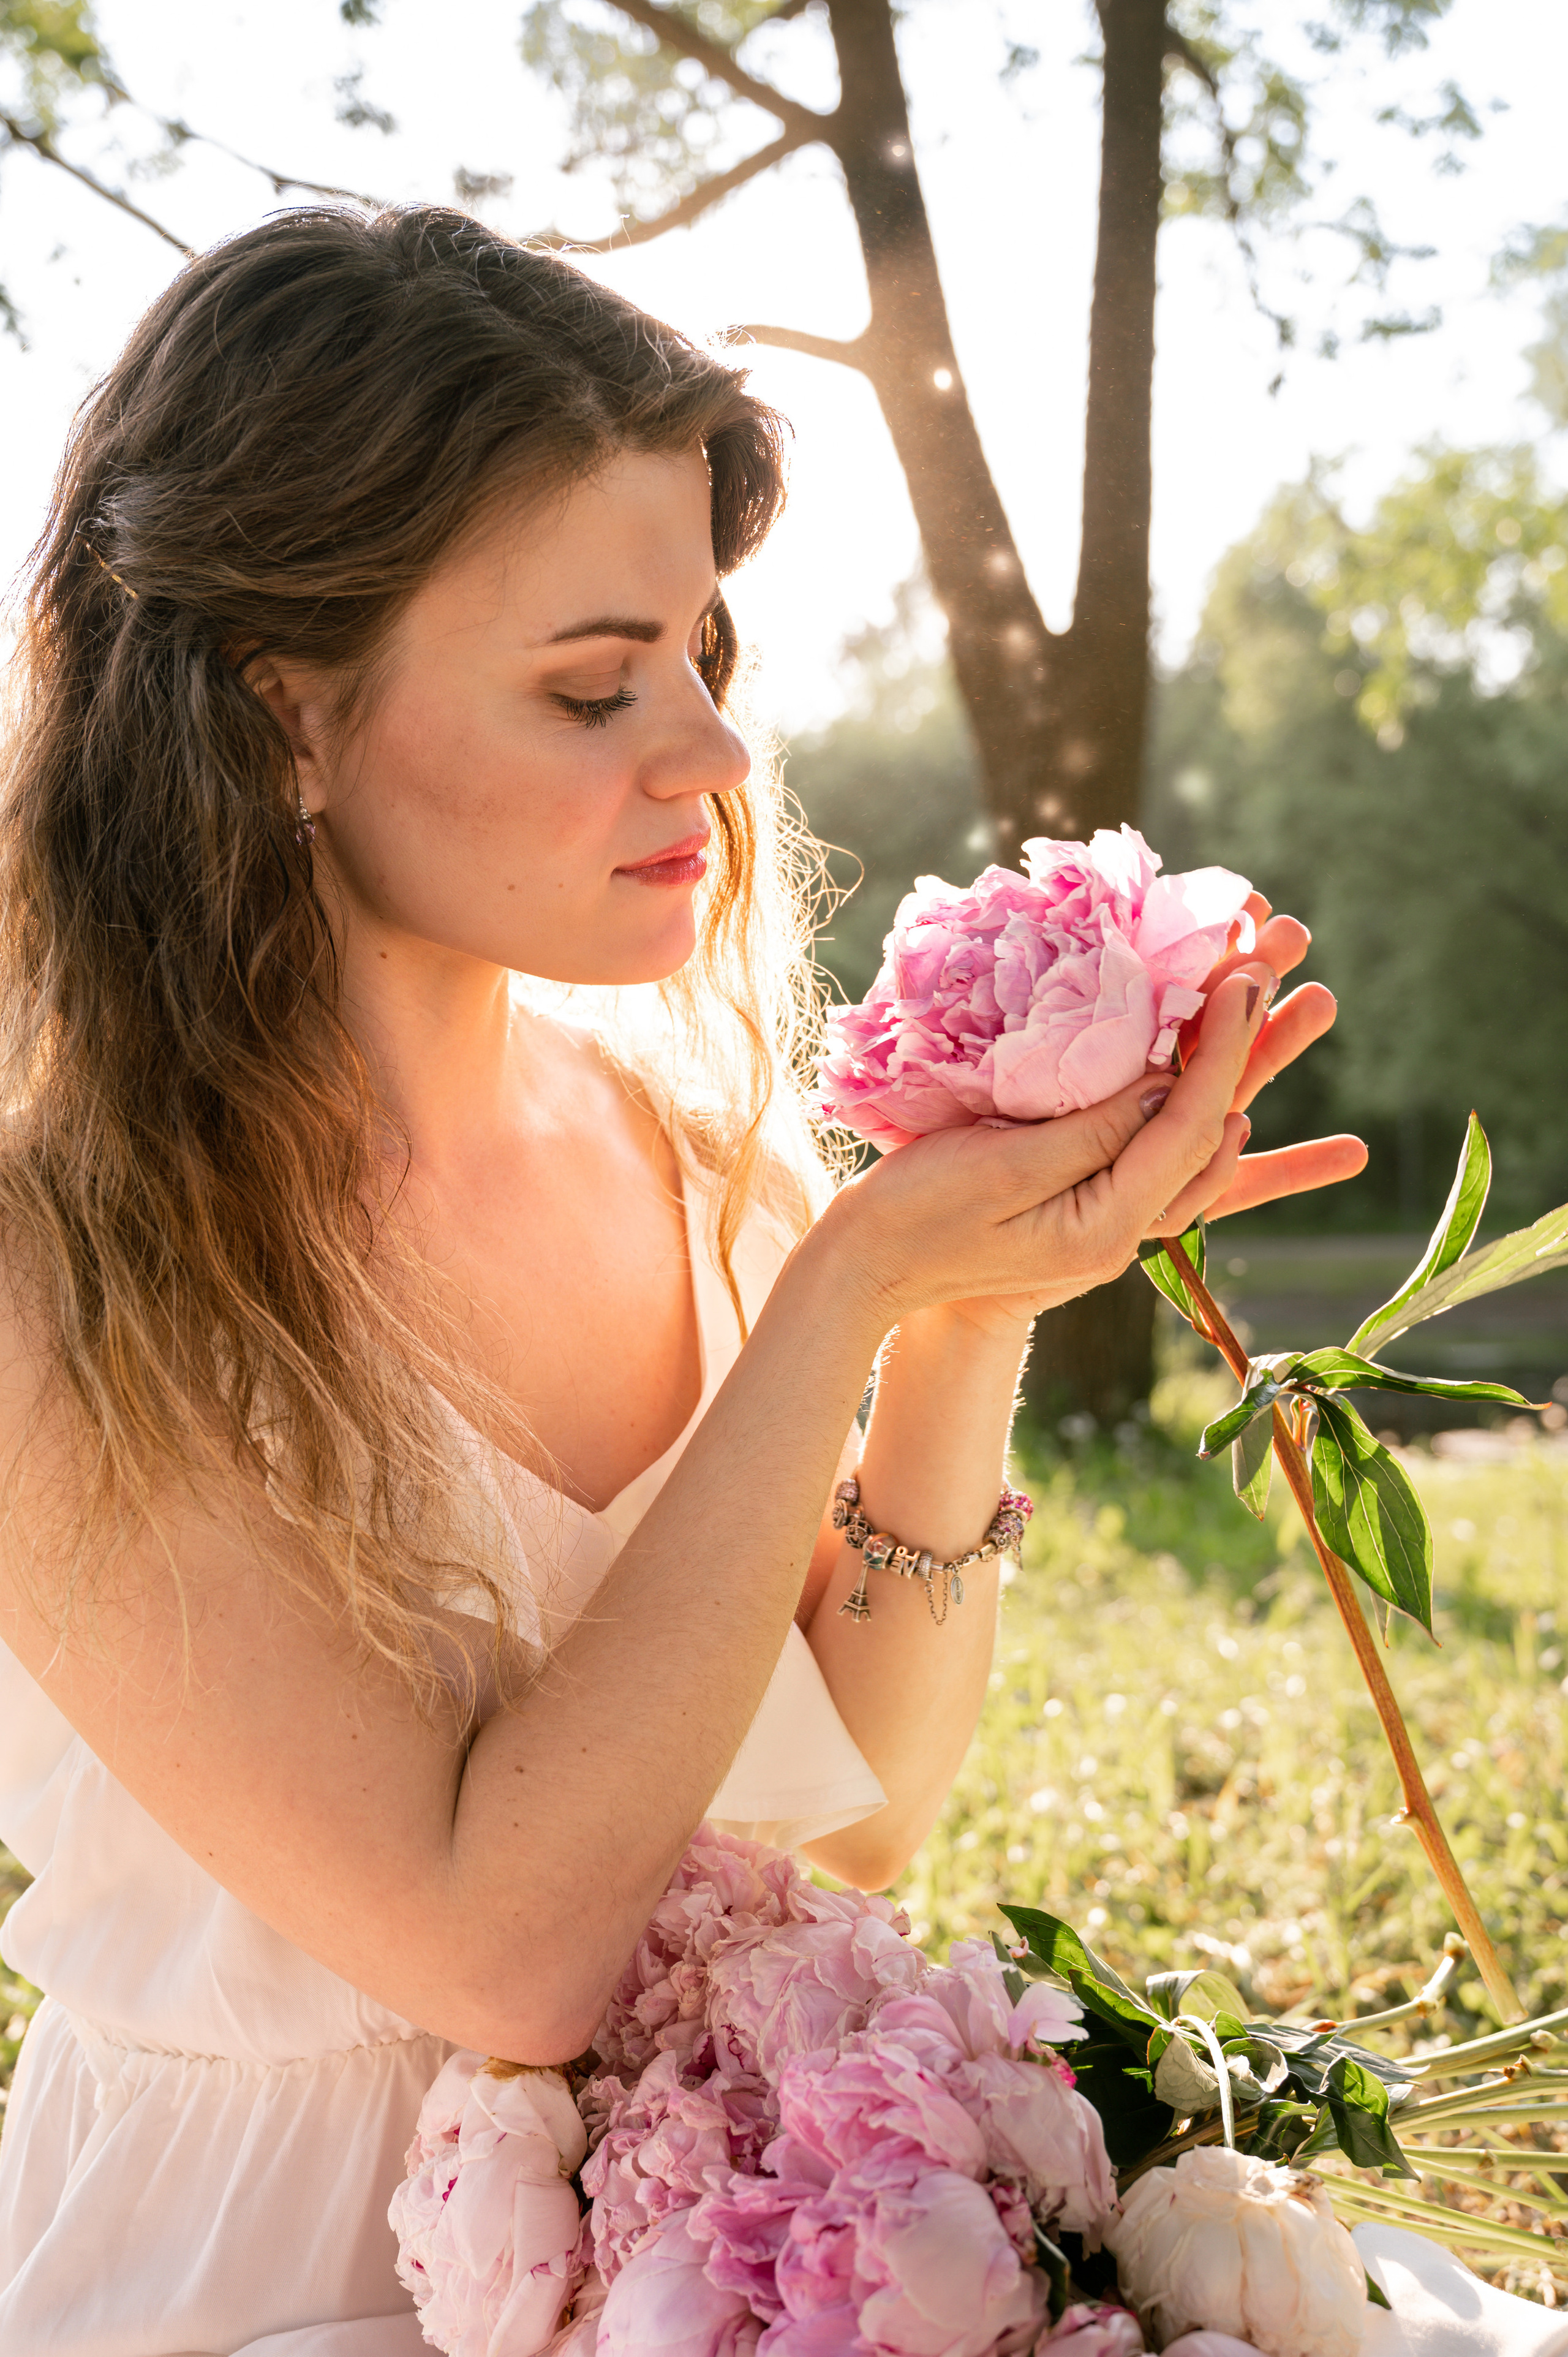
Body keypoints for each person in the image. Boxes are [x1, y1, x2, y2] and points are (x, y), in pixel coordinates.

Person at [0, 205, 1363, 2355]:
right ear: (282, 718)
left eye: (702, 660)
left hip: (732, 2244)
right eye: (590, 684)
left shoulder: (681, 1143)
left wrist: (978, 1292)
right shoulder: (63, 1274)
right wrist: (841, 1296)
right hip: (258, 2278)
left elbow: (867, 1818)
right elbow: (501, 1955)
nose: (713, 758)